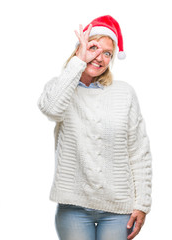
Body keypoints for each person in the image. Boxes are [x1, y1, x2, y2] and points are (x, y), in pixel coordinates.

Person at [38, 15, 152, 240]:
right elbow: (51, 109)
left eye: (107, 53)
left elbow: (139, 152)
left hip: (119, 208)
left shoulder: (124, 93)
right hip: (73, 208)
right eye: (93, 48)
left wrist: (142, 204)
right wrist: (79, 61)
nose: (99, 58)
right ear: (80, 49)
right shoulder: (59, 87)